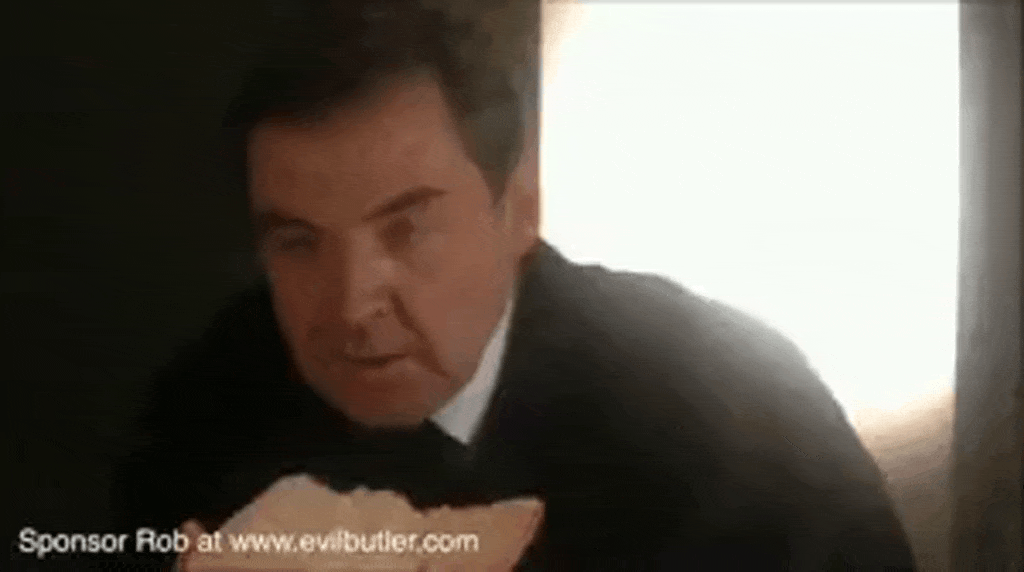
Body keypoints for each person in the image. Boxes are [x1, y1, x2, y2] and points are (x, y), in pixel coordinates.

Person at [110, 1, 917, 569]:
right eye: (299, 242)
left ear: (520, 208)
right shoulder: (201, 415)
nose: (353, 304)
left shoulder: (741, 416)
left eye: (406, 228)